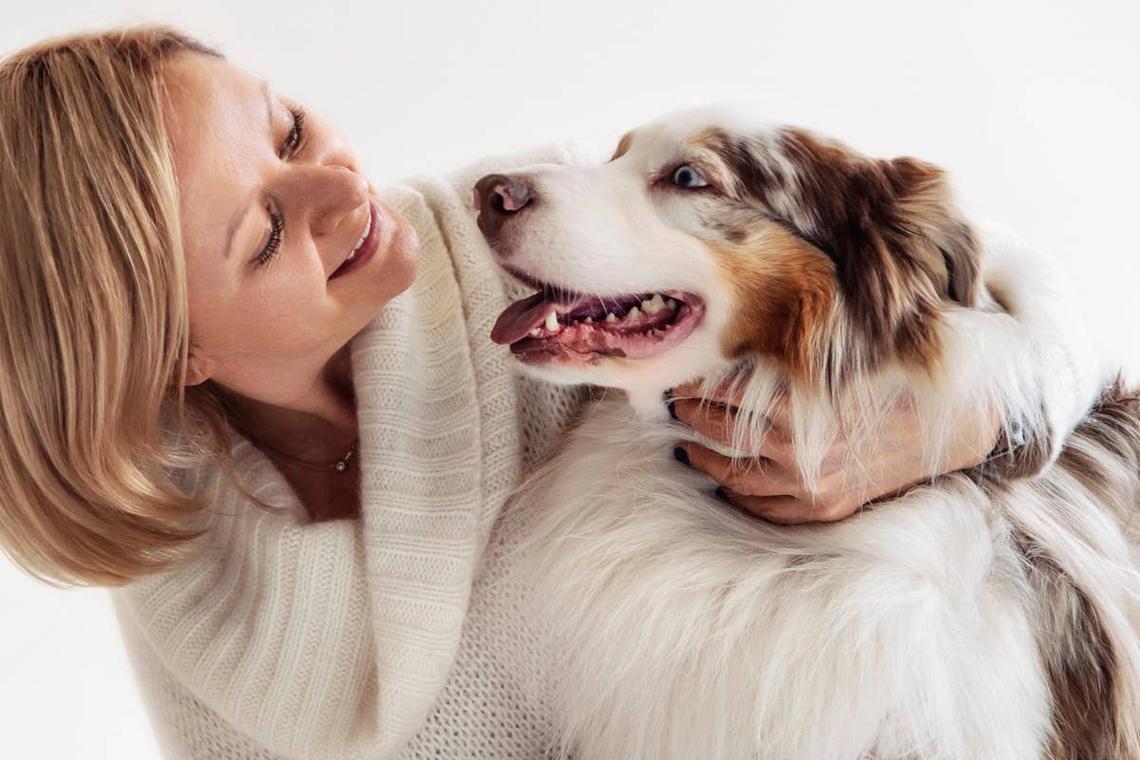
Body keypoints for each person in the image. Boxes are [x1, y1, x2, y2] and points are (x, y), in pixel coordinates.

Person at [0, 25, 1099, 759]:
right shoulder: (189, 586)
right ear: (171, 357)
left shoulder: (544, 244)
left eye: (287, 128)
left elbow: (985, 285)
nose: (340, 184)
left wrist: (968, 423)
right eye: (268, 230)